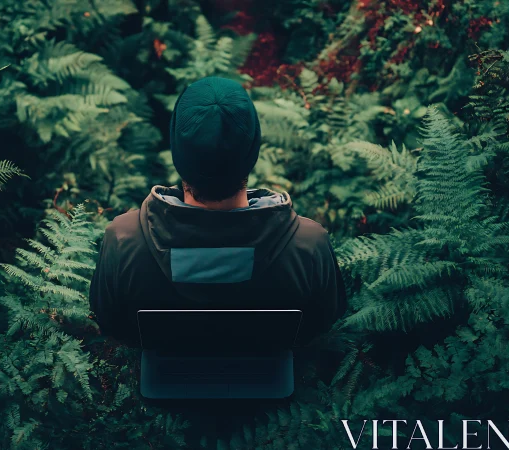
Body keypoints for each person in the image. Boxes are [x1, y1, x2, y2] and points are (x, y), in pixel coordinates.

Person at [89, 76, 347, 348]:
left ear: (178, 153)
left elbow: (110, 322)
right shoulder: (309, 244)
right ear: (252, 151)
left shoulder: (123, 240)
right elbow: (324, 321)